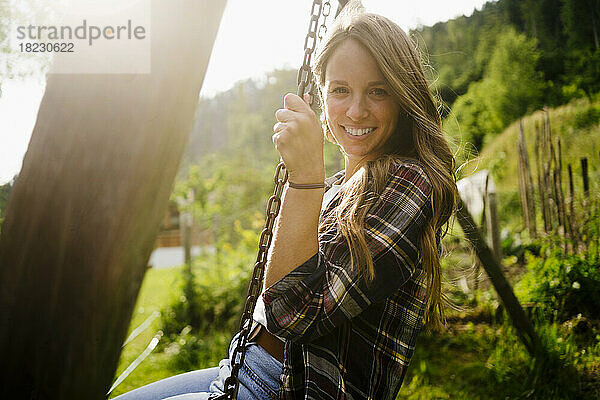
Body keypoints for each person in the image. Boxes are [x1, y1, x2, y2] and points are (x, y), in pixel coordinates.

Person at [113, 5, 458, 400]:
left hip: (295, 390)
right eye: (340, 90)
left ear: (402, 96)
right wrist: (312, 183)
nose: (356, 109)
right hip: (244, 367)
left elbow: (290, 315)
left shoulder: (409, 183)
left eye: (377, 91)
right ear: (322, 96)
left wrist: (304, 178)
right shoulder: (334, 187)